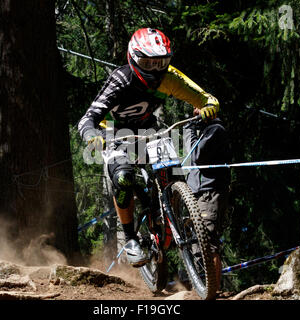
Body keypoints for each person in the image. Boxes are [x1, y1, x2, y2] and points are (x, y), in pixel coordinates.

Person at [78, 28, 220, 267]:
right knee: (123, 178)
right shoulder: (121, 79)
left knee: (175, 172)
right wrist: (93, 136)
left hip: (148, 129)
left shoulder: (170, 77)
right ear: (133, 58)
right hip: (112, 131)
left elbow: (207, 98)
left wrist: (209, 107)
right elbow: (87, 118)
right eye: (147, 63)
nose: (155, 70)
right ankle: (131, 239)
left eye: (160, 63)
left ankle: (178, 215)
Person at [183, 107, 231, 289]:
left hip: (210, 193)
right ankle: (202, 289)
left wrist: (188, 129)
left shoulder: (215, 130)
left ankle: (213, 291)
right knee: (197, 245)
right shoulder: (206, 130)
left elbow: (195, 155)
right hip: (197, 193)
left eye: (198, 109)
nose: (195, 113)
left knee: (208, 242)